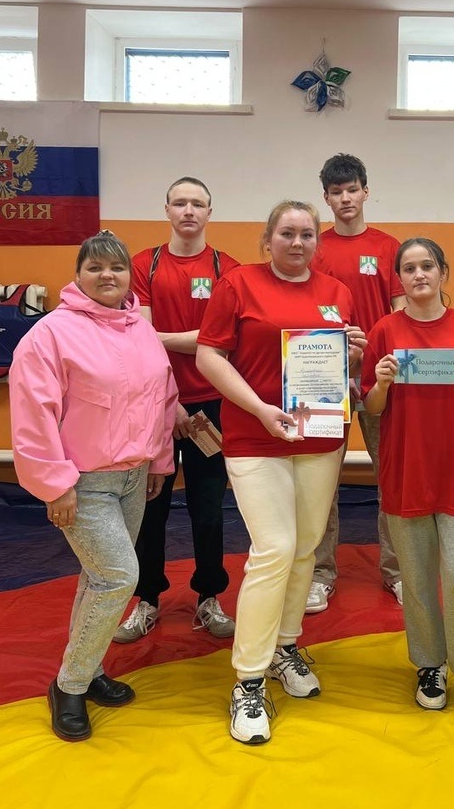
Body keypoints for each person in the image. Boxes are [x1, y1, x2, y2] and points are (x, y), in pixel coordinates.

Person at [195, 200, 366, 745]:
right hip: (255, 437)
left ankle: (285, 647)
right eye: (287, 233)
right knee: (274, 547)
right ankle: (247, 679)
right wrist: (259, 409)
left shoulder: (337, 292)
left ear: (318, 241)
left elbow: (338, 368)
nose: (297, 242)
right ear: (267, 239)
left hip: (320, 437)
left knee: (304, 548)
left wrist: (353, 355)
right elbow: (209, 356)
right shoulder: (238, 285)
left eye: (307, 234)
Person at [9, 231, 178, 742]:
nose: (108, 275)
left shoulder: (141, 329)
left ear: (130, 276)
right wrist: (55, 485)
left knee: (96, 577)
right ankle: (69, 685)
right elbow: (33, 414)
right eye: (95, 267)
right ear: (78, 275)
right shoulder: (50, 334)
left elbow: (162, 398)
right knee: (118, 577)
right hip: (83, 482)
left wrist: (158, 461)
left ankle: (90, 668)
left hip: (133, 477)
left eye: (117, 267)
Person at [362, 238, 454, 724]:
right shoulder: (384, 331)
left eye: (427, 265)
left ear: (444, 272)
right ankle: (429, 665)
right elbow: (372, 408)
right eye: (409, 268)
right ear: (399, 278)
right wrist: (382, 382)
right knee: (419, 582)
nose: (419, 274)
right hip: (407, 473)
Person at [113, 177, 240, 644]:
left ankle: (208, 597)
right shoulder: (143, 264)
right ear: (166, 209)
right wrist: (194, 347)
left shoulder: (229, 269)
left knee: (209, 509)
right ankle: (147, 599)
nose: (189, 210)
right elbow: (138, 340)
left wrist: (161, 337)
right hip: (155, 404)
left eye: (197, 204)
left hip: (212, 407)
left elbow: (224, 340)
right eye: (180, 203)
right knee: (150, 508)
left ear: (209, 212)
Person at [307, 153, 405, 614]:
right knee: (320, 479)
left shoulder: (389, 247)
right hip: (325, 380)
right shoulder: (314, 248)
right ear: (326, 198)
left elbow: (403, 316)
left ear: (366, 191)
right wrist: (333, 366)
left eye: (352, 190)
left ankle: (398, 571)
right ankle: (319, 573)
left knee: (394, 476)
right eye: (336, 192)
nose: (345, 198)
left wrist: (379, 367)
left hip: (381, 378)